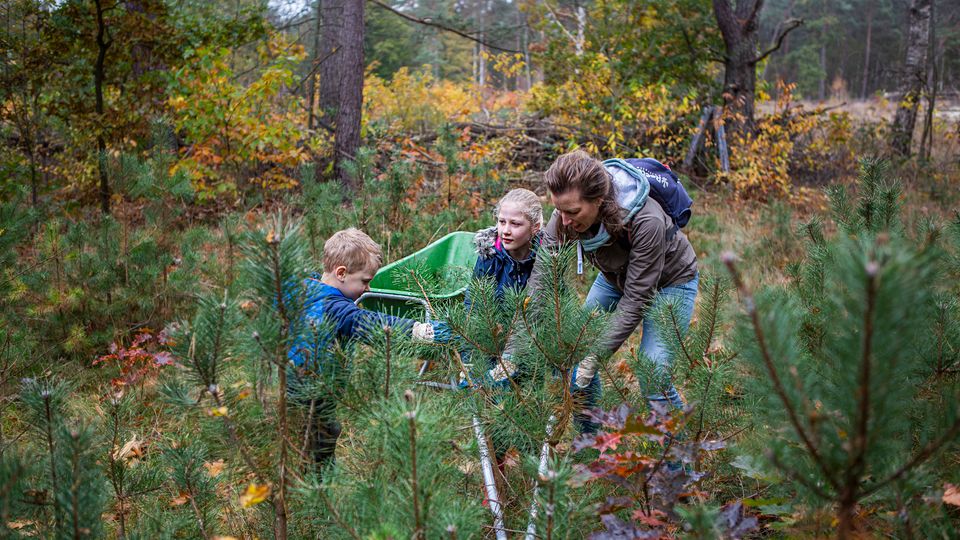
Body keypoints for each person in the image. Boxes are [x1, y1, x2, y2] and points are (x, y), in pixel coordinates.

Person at [530, 150, 699, 432]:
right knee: (576, 344)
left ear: (598, 200)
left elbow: (636, 299)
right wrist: (524, 327)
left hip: (672, 282)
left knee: (653, 374)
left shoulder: (647, 221)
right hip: (616, 277)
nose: (565, 220)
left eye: (572, 212)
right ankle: (589, 446)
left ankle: (680, 463)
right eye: (559, 210)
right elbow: (543, 270)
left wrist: (595, 356)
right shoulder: (565, 215)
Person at [288, 228, 450, 467]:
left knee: (313, 435)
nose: (368, 289)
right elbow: (369, 324)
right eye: (365, 281)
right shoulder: (334, 307)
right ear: (341, 273)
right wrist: (424, 331)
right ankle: (318, 486)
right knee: (318, 441)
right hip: (314, 390)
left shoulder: (306, 288)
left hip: (294, 382)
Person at [467, 188, 543, 386]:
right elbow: (473, 303)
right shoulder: (489, 255)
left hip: (533, 340)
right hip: (493, 336)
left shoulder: (547, 258)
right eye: (502, 222)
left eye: (515, 224)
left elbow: (552, 311)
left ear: (535, 227)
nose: (505, 230)